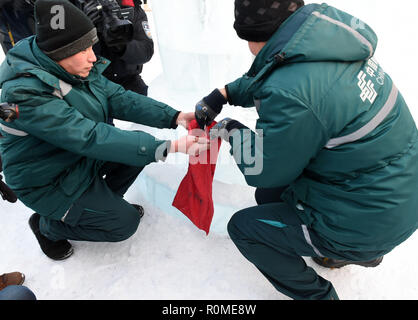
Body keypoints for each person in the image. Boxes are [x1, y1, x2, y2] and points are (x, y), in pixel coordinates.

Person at [195, 0, 418, 300]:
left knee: (245, 227)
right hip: (398, 197)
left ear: (256, 35)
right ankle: (358, 251)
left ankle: (322, 291)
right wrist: (225, 94)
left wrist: (229, 128)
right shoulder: (327, 39)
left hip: (367, 222)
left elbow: (263, 168)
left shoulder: (293, 91)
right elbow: (279, 74)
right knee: (269, 197)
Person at [0, 0, 208, 261]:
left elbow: (118, 97)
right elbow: (87, 136)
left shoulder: (68, 67)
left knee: (136, 155)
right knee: (125, 223)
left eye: (91, 45)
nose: (93, 56)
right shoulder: (25, 92)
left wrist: (174, 116)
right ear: (60, 52)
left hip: (73, 160)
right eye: (83, 49)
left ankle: (99, 208)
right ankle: (47, 226)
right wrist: (167, 147)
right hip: (48, 182)